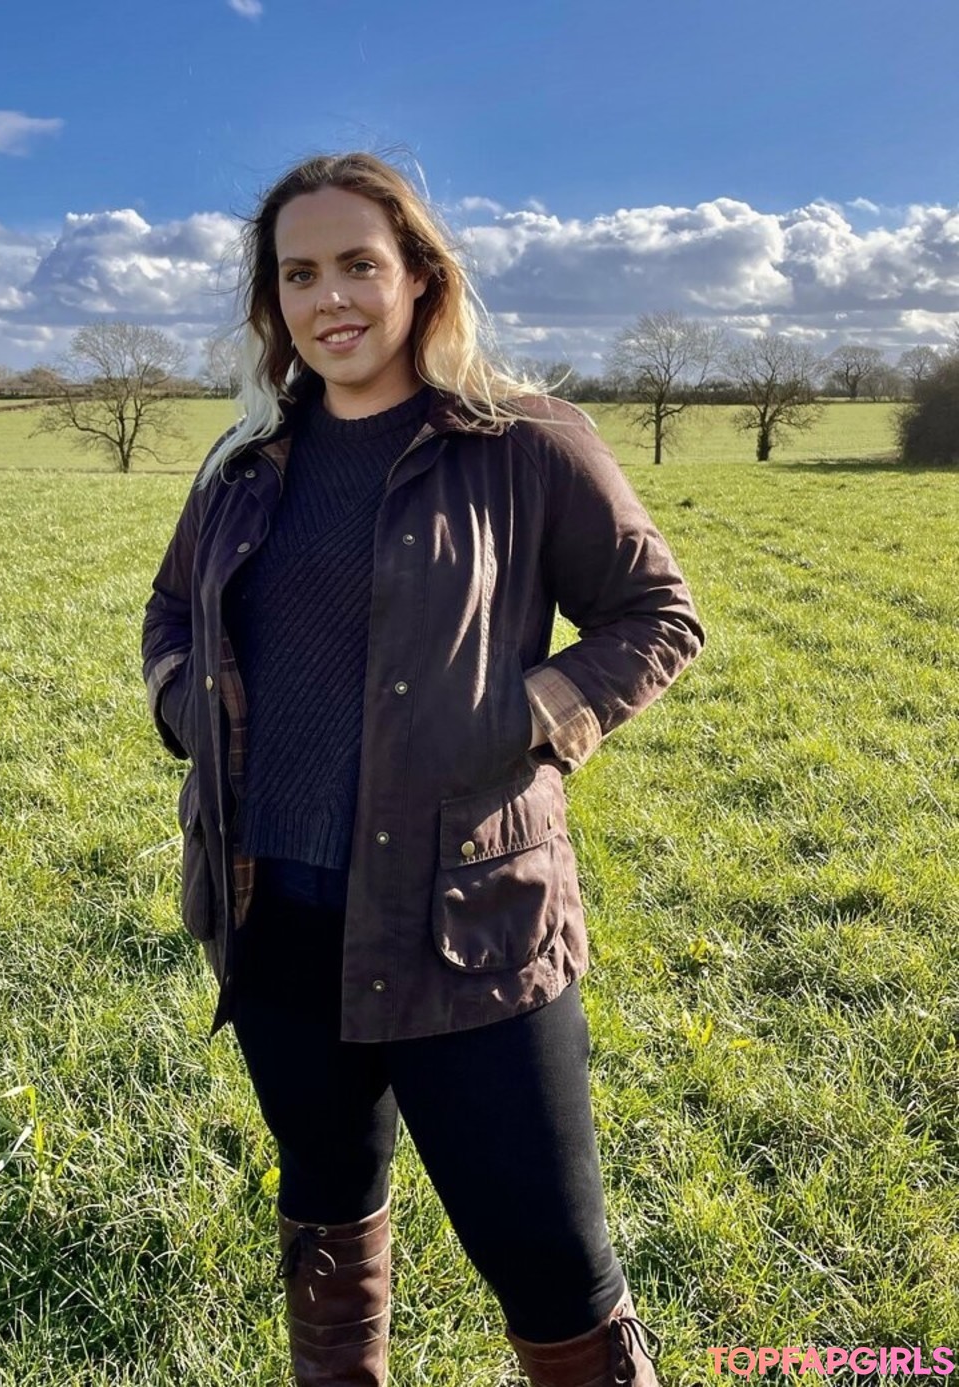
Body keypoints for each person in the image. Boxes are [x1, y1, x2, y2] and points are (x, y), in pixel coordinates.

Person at [142, 151, 704, 1387]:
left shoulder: (525, 442)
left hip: (470, 928)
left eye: (359, 263)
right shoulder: (244, 461)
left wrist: (527, 714)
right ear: (273, 301)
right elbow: (171, 611)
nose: (330, 297)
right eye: (299, 274)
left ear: (420, 279)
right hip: (272, 914)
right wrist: (190, 705)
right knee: (327, 1203)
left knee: (555, 1267)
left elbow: (658, 616)